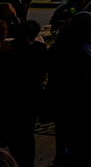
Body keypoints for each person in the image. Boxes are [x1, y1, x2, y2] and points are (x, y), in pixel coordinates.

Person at [46, 11, 91, 167]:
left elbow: (71, 79)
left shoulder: (76, 48)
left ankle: (65, 157)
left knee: (66, 131)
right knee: (89, 132)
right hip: (89, 98)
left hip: (74, 99)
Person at [0, 20, 48, 167]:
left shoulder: (9, 50)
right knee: (26, 135)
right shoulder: (39, 49)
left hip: (11, 99)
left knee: (13, 133)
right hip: (30, 99)